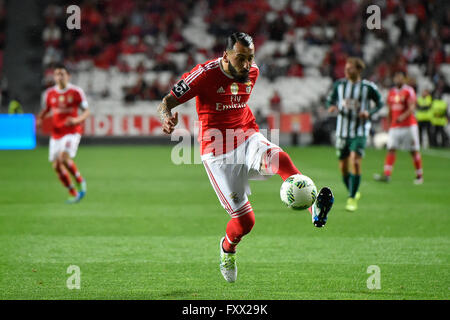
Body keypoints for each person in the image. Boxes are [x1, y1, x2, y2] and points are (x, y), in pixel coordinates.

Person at [157, 32, 334, 283]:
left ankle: (314, 209)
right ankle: (227, 249)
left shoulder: (253, 72)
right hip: (217, 150)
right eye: (240, 58)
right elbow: (166, 102)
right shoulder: (204, 75)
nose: (246, 65)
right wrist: (167, 118)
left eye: (250, 58)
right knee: (245, 222)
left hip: (247, 134)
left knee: (279, 160)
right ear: (225, 56)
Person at [326, 57, 383, 212]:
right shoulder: (340, 85)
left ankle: (351, 198)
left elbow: (380, 103)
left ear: (359, 70)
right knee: (343, 167)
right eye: (346, 68)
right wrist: (331, 107)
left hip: (359, 130)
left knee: (355, 161)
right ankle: (353, 191)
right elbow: (329, 100)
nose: (347, 70)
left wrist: (369, 112)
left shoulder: (367, 87)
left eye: (350, 68)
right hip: (342, 132)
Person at [36, 64, 90, 203]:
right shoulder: (49, 94)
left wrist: (76, 120)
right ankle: (73, 192)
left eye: (62, 74)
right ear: (54, 77)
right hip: (56, 133)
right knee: (56, 166)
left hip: (72, 131)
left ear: (68, 76)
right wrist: (40, 119)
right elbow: (46, 109)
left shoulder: (76, 92)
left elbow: (87, 111)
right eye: (57, 74)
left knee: (63, 157)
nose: (60, 77)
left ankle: (80, 181)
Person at [373, 71, 423, 184]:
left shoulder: (408, 91)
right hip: (395, 127)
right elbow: (390, 110)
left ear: (404, 79)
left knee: (413, 151)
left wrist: (402, 117)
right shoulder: (391, 92)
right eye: (396, 77)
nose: (397, 79)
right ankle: (386, 175)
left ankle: (419, 176)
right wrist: (389, 125)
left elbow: (412, 107)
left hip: (408, 126)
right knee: (391, 149)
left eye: (400, 77)